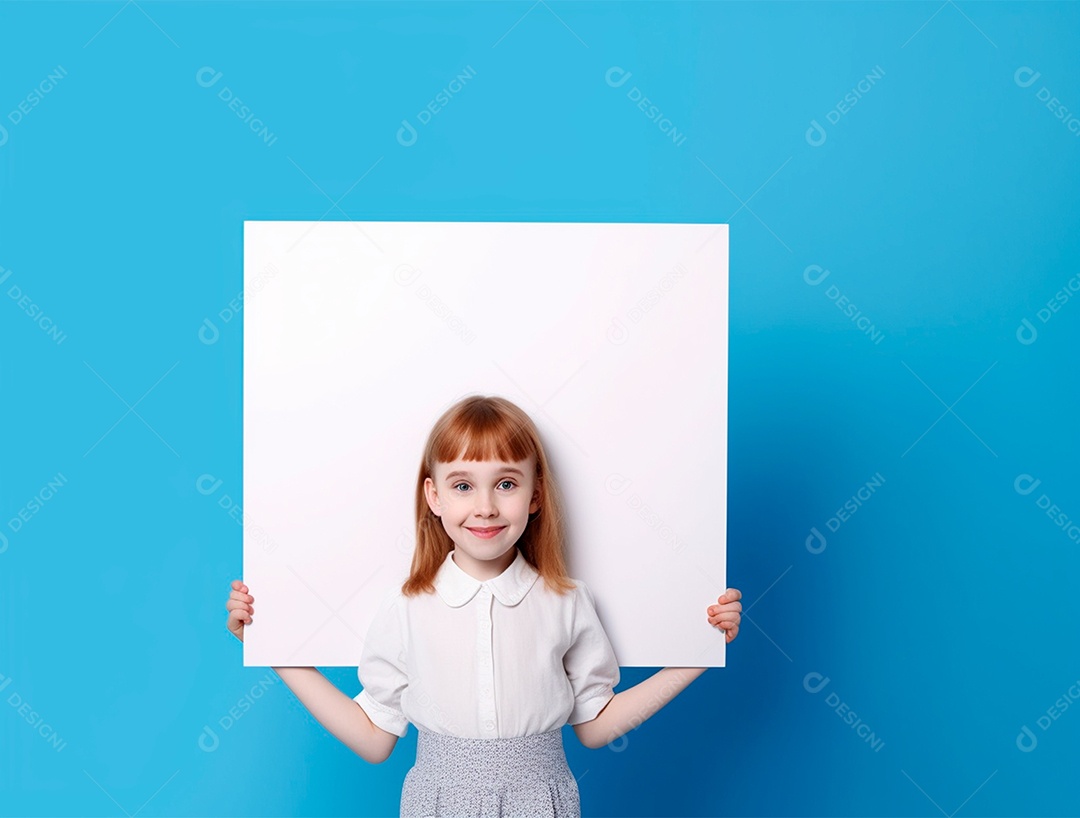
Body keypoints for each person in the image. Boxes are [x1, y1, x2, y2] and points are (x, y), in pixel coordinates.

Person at [225, 394, 742, 817]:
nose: (486, 506)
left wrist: (700, 651)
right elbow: (375, 737)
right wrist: (277, 648)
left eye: (507, 483)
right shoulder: (407, 606)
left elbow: (595, 724)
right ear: (434, 497)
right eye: (463, 485)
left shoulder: (566, 601)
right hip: (436, 804)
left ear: (536, 495)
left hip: (544, 804)